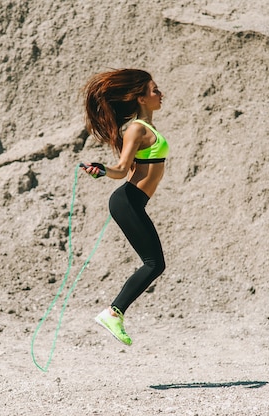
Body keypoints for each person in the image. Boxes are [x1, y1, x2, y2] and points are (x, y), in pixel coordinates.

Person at [80, 68, 169, 346]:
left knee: (155, 263)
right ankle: (113, 313)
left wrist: (111, 171)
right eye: (154, 90)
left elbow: (130, 169)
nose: (159, 93)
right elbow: (120, 169)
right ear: (141, 98)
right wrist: (103, 170)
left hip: (132, 202)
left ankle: (114, 313)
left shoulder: (147, 128)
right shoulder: (136, 129)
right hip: (127, 201)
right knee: (154, 263)